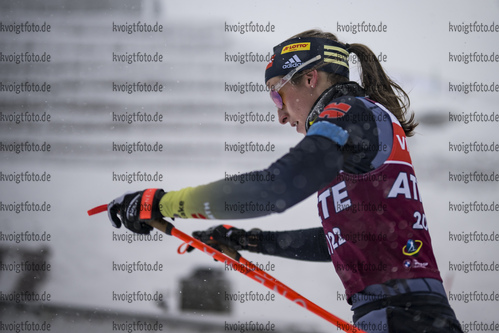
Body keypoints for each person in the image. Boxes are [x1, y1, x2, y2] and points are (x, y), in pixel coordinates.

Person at [106, 29, 463, 332]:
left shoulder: (349, 114)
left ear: (310, 78)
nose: (279, 114)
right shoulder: (364, 118)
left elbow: (273, 189)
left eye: (277, 93)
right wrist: (246, 239)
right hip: (403, 315)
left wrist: (163, 203)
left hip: (402, 317)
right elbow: (346, 244)